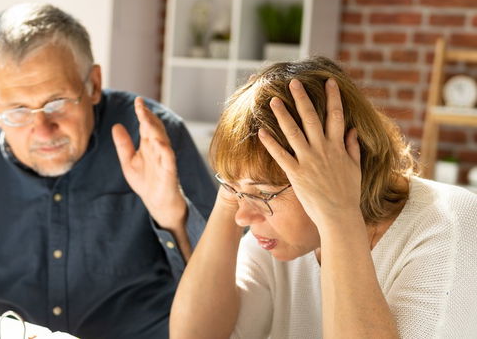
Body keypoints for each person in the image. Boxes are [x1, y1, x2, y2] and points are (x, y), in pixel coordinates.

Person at [0, 3, 216, 339]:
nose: (42, 130)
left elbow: (226, 288)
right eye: (16, 111)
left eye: (56, 103)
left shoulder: (153, 137)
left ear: (92, 84)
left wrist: (173, 217)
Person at [170, 57, 477, 338]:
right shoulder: (282, 239)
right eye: (235, 191)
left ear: (336, 172)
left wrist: (340, 213)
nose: (243, 217)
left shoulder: (450, 224)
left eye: (262, 194)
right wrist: (232, 185)